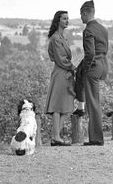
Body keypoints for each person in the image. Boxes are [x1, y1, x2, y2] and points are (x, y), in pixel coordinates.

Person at [74, 0, 108, 146]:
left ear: (86, 13)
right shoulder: (103, 28)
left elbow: (90, 54)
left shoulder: (88, 30)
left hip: (93, 67)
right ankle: (96, 136)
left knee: (93, 103)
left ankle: (96, 139)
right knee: (95, 102)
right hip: (103, 65)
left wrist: (85, 69)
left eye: (81, 14)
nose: (80, 17)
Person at [44, 10, 76, 146]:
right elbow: (60, 59)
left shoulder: (62, 37)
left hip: (65, 73)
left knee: (66, 105)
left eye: (68, 18)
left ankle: (55, 136)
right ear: (58, 21)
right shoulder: (56, 38)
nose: (67, 21)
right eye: (64, 18)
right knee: (58, 106)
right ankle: (56, 137)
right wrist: (73, 68)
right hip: (61, 73)